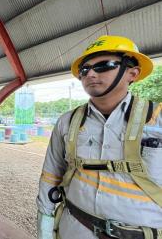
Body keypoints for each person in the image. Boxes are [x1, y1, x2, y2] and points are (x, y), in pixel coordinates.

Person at [36, 35, 162, 239]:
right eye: (84, 70)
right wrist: (45, 222)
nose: (91, 74)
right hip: (75, 229)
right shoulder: (67, 122)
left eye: (104, 65)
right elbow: (51, 175)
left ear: (132, 73)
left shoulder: (156, 120)